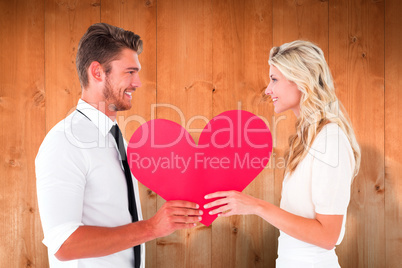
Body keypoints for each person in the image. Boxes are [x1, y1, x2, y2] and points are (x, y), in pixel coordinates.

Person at [35, 23, 203, 268]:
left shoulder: (115, 139)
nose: (138, 83)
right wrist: (152, 228)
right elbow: (63, 244)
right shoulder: (64, 141)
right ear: (97, 72)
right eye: (130, 72)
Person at [204, 40, 361, 267]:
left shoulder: (331, 141)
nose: (268, 90)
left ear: (300, 81)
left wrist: (256, 206)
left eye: (274, 79)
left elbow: (328, 236)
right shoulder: (307, 138)